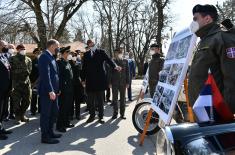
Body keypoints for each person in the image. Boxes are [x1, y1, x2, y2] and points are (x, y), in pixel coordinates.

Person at [188, 4, 235, 113]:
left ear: (207, 19)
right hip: (203, 106)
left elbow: (232, 76)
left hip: (216, 110)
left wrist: (226, 109)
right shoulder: (204, 39)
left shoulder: (222, 37)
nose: (193, 22)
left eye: (196, 18)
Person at [81, 39, 121, 124]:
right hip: (90, 81)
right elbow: (83, 68)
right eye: (89, 44)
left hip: (100, 80)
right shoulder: (86, 54)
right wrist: (83, 79)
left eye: (92, 43)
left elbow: (109, 60)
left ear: (95, 44)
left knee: (100, 100)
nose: (91, 45)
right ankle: (92, 116)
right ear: (88, 46)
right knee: (90, 101)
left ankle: (101, 116)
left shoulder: (101, 52)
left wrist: (115, 66)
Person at [38, 39, 61, 144]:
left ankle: (50, 132)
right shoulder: (44, 57)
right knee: (46, 114)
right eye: (57, 46)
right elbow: (45, 76)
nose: (58, 48)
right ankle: (45, 137)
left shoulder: (51, 57)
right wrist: (50, 90)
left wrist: (57, 89)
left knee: (53, 112)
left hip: (54, 91)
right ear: (52, 46)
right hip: (47, 91)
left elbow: (55, 74)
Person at [10, 44, 32, 124]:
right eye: (22, 49)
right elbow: (11, 71)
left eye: (24, 49)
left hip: (26, 83)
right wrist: (20, 73)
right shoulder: (12, 59)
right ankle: (18, 117)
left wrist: (26, 73)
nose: (23, 50)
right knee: (16, 101)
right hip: (16, 84)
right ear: (18, 50)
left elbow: (30, 70)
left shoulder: (28, 59)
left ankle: (22, 114)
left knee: (27, 100)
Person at [56, 46, 75, 132]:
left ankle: (66, 122)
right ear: (63, 53)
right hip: (63, 89)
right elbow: (58, 77)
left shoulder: (68, 62)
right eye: (67, 52)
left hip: (69, 88)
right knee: (62, 107)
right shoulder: (59, 63)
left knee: (68, 106)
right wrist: (59, 88)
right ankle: (60, 126)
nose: (69, 53)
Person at [109, 48, 130, 119]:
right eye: (116, 53)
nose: (117, 54)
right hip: (114, 82)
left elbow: (127, 72)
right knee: (114, 99)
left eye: (119, 53)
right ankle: (115, 113)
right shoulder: (112, 61)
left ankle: (122, 114)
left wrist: (128, 82)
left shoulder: (125, 61)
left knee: (122, 99)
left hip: (123, 83)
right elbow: (110, 73)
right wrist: (109, 82)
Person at [0, 40, 12, 140]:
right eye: (4, 45)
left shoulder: (4, 56)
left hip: (5, 88)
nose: (6, 47)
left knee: (3, 110)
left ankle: (0, 127)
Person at [69, 51, 84, 120]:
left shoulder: (79, 64)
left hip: (78, 85)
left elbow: (81, 74)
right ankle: (71, 115)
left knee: (77, 101)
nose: (74, 57)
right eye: (72, 56)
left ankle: (77, 115)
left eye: (74, 56)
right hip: (71, 85)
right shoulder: (69, 64)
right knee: (71, 101)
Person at [30, 48, 41, 116]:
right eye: (37, 53)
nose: (38, 54)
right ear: (34, 53)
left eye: (39, 53)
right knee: (34, 97)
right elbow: (30, 73)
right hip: (34, 82)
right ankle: (33, 110)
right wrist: (32, 82)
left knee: (40, 96)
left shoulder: (42, 61)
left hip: (41, 82)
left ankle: (40, 109)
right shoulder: (32, 62)